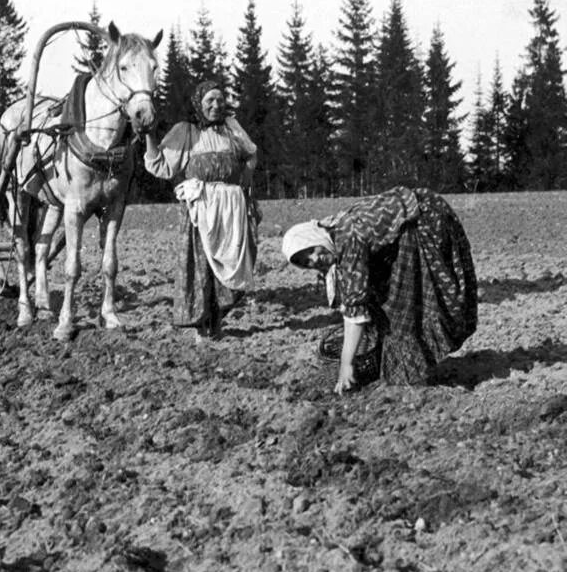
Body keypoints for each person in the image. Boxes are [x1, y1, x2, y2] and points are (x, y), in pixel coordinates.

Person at [282, 186, 478, 393]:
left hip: (424, 220)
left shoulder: (347, 237)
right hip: (410, 222)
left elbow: (354, 310)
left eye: (310, 251)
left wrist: (346, 364)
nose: (314, 259)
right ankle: (404, 365)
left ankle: (412, 374)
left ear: (314, 238)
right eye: (305, 262)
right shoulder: (332, 233)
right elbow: (349, 294)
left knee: (402, 305)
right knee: (384, 296)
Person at [143, 80, 260, 340]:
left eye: (220, 100)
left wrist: (247, 176)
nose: (216, 106)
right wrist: (149, 136)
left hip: (231, 207)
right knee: (201, 267)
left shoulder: (232, 127)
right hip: (201, 208)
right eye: (210, 101)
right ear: (198, 103)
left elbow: (251, 153)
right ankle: (200, 327)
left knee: (232, 264)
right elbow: (160, 166)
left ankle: (217, 322)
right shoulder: (186, 131)